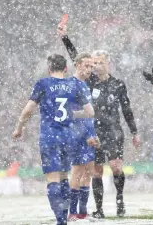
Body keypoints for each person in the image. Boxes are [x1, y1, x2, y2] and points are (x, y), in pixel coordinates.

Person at [58, 23, 141, 218]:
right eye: (93, 63)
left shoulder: (118, 84)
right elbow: (76, 58)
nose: (95, 66)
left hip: (114, 131)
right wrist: (65, 38)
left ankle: (120, 201)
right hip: (95, 132)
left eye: (99, 62)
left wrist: (134, 132)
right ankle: (100, 209)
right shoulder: (90, 81)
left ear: (108, 63)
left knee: (116, 167)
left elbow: (127, 109)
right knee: (96, 171)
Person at [12, 54, 94, 225]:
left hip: (49, 137)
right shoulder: (74, 85)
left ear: (49, 69)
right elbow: (90, 112)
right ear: (66, 68)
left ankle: (60, 220)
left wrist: (19, 127)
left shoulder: (43, 84)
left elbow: (28, 111)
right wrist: (71, 115)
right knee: (64, 176)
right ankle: (64, 216)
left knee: (52, 179)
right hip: (68, 137)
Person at [67, 53, 100, 221]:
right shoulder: (71, 85)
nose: (89, 70)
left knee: (88, 172)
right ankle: (72, 213)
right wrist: (85, 134)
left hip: (88, 135)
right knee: (77, 171)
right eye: (86, 66)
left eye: (91, 67)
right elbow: (71, 114)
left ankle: (82, 212)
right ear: (78, 65)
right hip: (76, 136)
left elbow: (89, 115)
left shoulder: (85, 85)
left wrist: (92, 133)